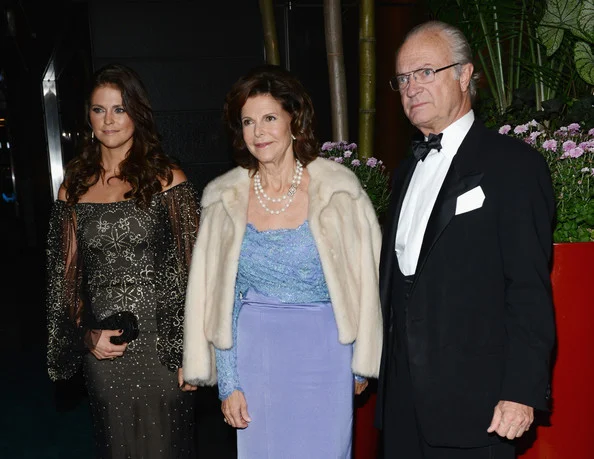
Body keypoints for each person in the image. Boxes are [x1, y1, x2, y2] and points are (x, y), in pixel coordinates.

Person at [375, 20, 556, 459]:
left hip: (478, 407)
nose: (411, 87)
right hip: (402, 405)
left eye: (425, 72)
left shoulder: (513, 165)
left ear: (464, 74)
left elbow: (529, 288)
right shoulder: (403, 173)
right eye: (403, 78)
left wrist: (521, 391)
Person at [182, 64, 383, 458]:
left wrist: (361, 362)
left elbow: (366, 281)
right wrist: (229, 381)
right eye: (248, 122)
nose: (258, 132)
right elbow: (221, 300)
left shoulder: (339, 191)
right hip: (256, 361)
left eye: (270, 117)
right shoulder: (223, 199)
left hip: (325, 356)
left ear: (295, 119)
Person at [46, 63, 200, 459]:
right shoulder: (73, 187)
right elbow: (64, 284)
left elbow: (196, 273)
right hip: (106, 353)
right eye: (99, 110)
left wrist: (195, 353)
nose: (109, 120)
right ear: (88, 117)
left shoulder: (169, 179)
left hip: (165, 351)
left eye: (119, 109)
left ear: (137, 113)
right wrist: (86, 337)